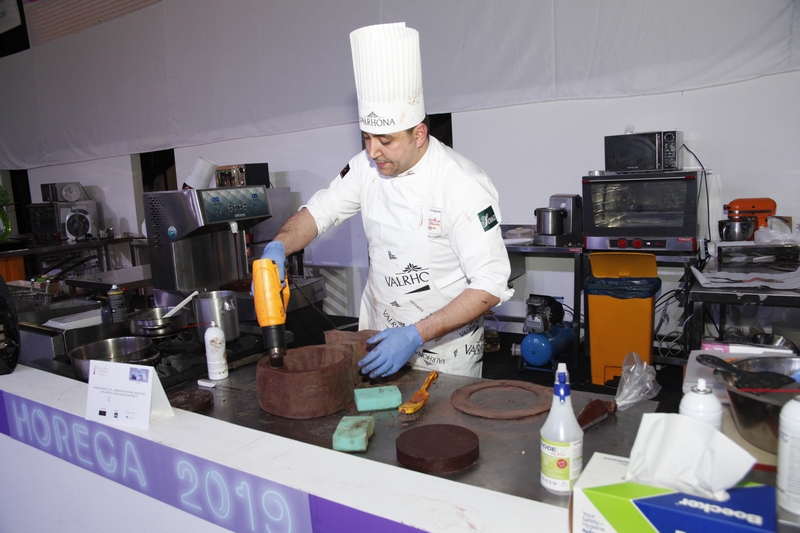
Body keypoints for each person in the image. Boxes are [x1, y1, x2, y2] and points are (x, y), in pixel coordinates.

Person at [259, 22, 513, 378]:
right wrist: (278, 246)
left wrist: (414, 335)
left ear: (419, 133)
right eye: (366, 137)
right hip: (378, 336)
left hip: (445, 351)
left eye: (385, 140)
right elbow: (319, 213)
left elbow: (489, 284)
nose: (372, 151)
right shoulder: (366, 167)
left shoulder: (462, 184)